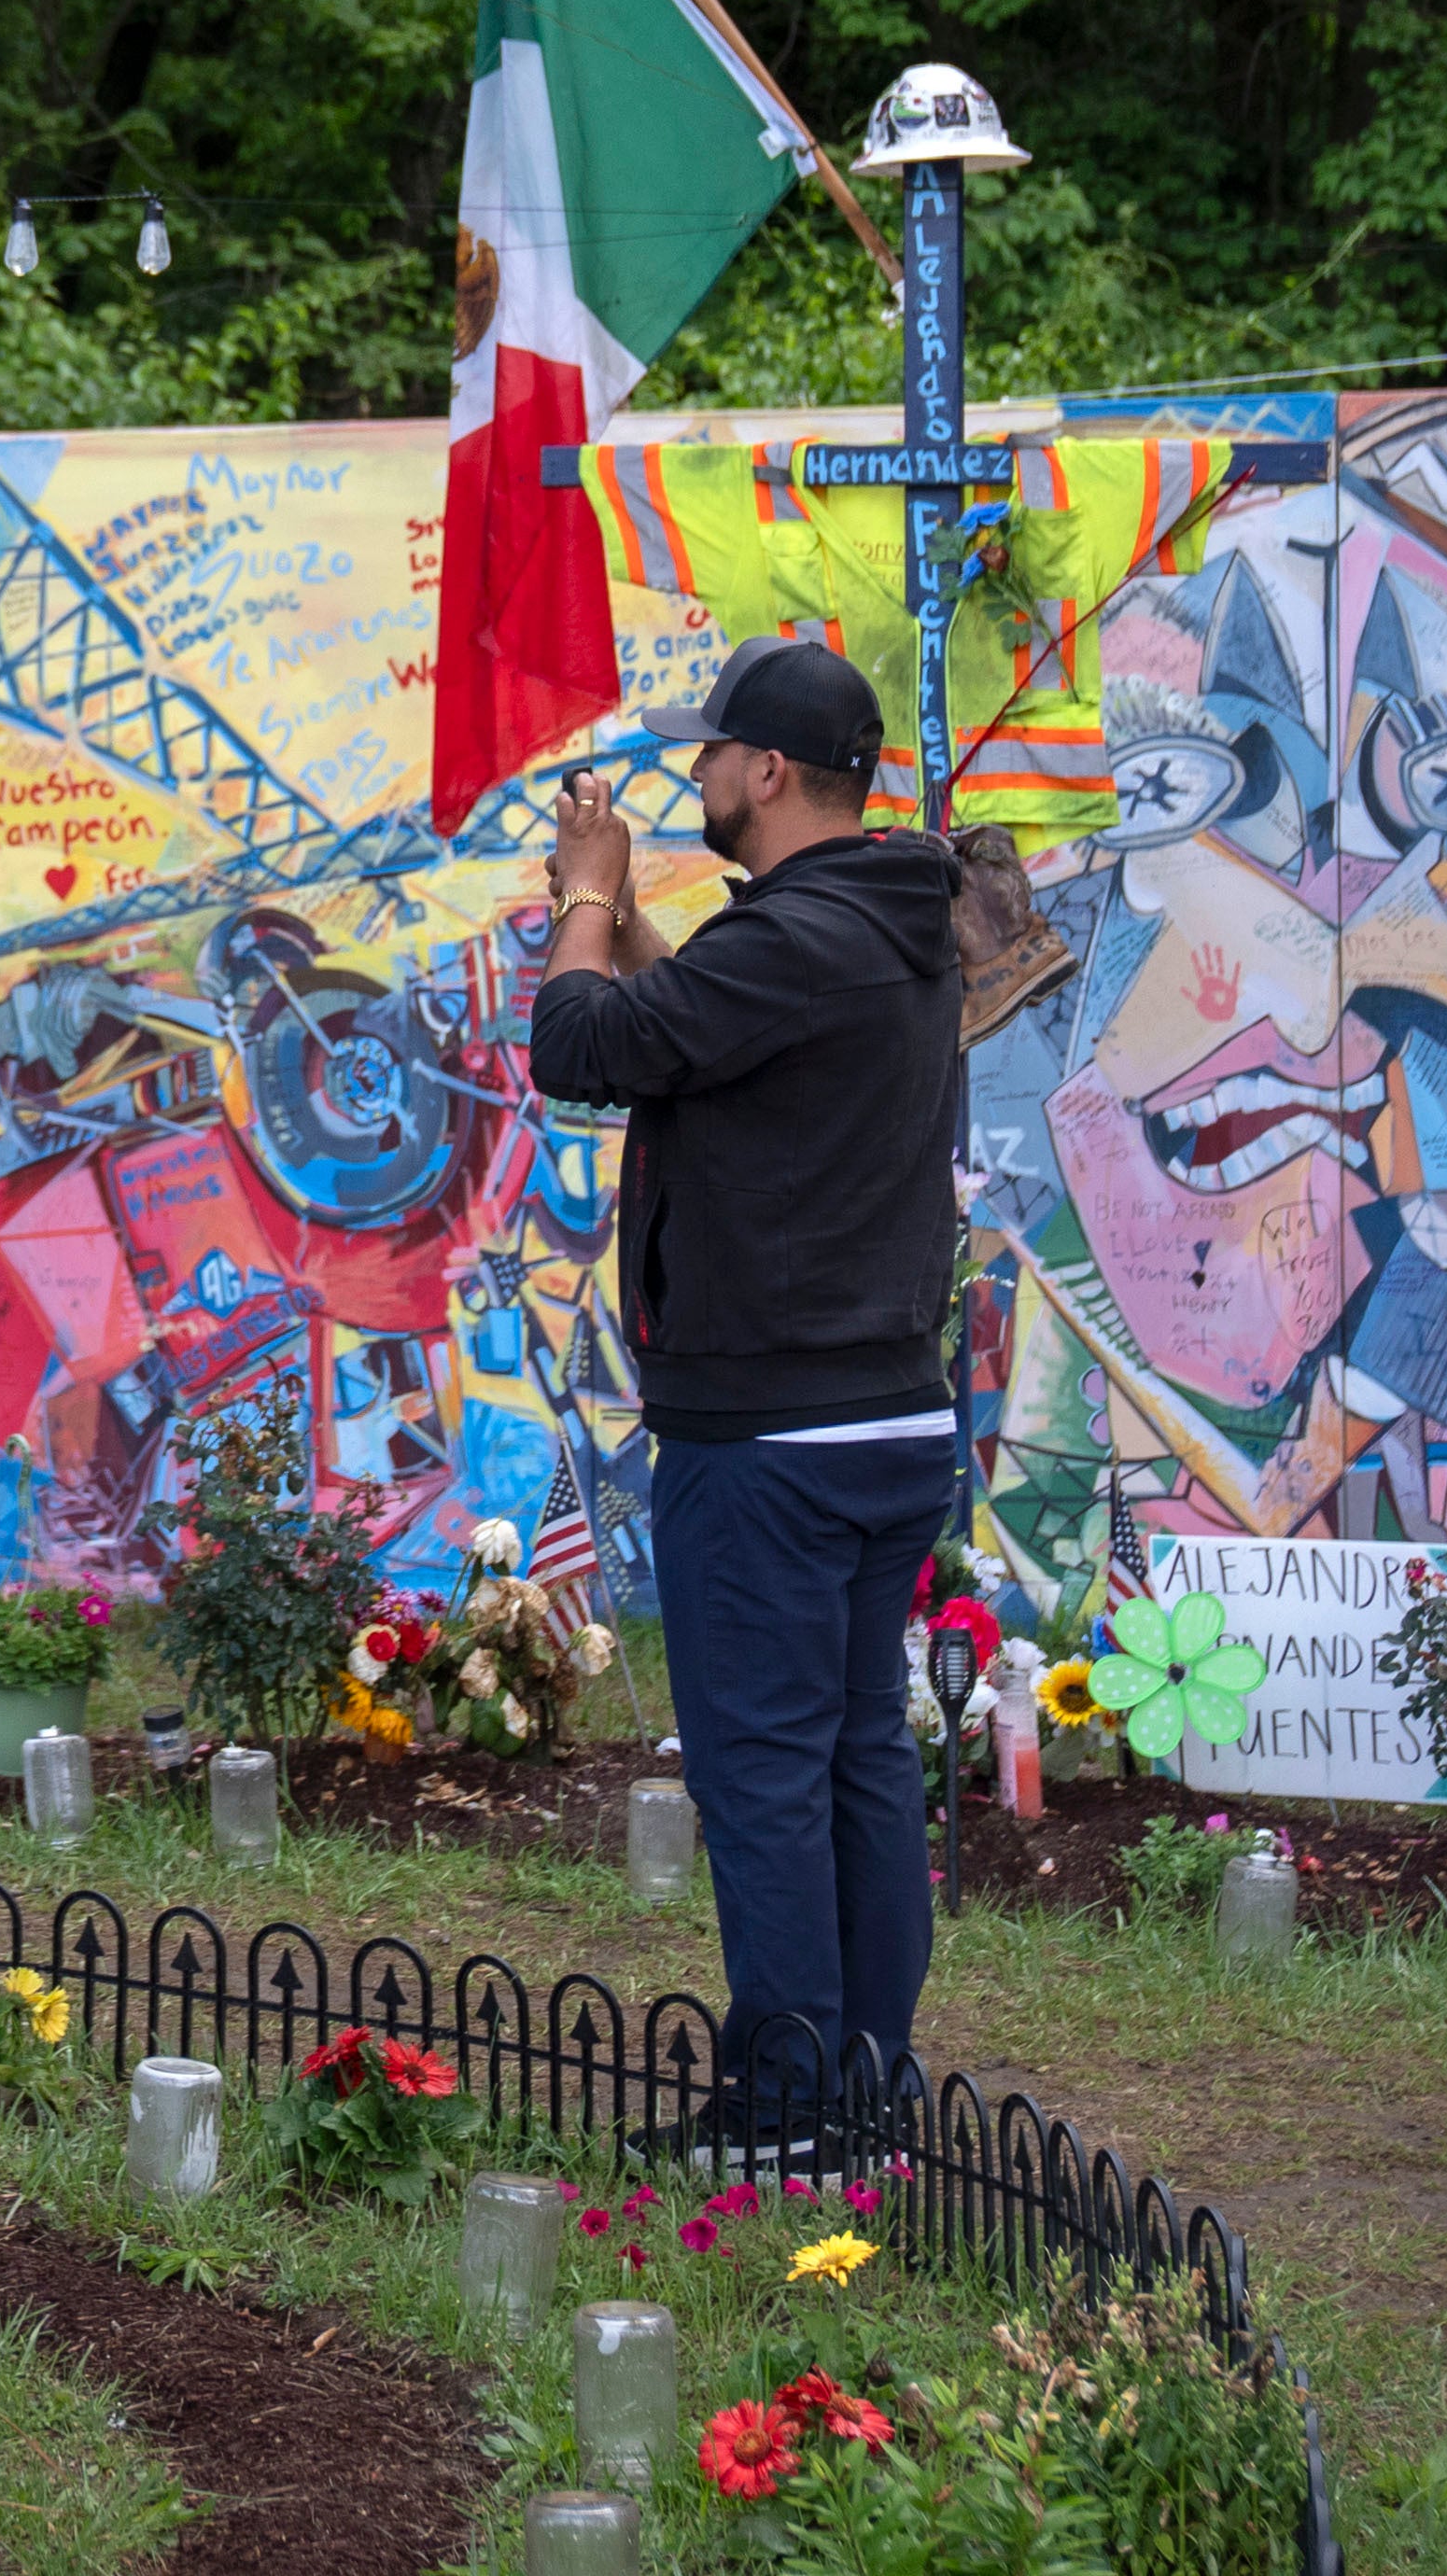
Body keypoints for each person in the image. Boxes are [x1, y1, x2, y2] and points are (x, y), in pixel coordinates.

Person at [521, 640, 968, 2151]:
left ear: (768, 773)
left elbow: (580, 1047)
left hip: (773, 1439)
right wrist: (639, 924)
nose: (696, 775)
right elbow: (700, 1023)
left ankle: (786, 2110)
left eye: (713, 753)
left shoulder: (798, 939)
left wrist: (586, 890)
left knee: (767, 1777)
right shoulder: (879, 925)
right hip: (886, 1418)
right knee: (855, 1760)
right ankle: (864, 2094)